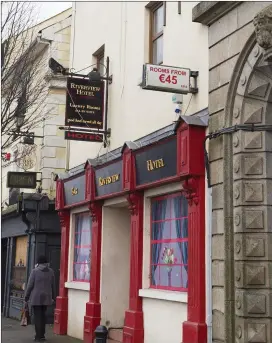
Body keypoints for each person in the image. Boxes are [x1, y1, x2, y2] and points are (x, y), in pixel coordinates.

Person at [25, 255, 56, 342]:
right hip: (47, 298)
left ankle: (38, 336)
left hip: (36, 298)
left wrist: (26, 297)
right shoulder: (51, 271)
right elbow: (53, 285)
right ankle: (42, 335)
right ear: (46, 263)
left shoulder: (34, 271)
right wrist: (54, 297)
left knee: (38, 317)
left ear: (38, 263)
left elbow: (30, 285)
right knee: (43, 316)